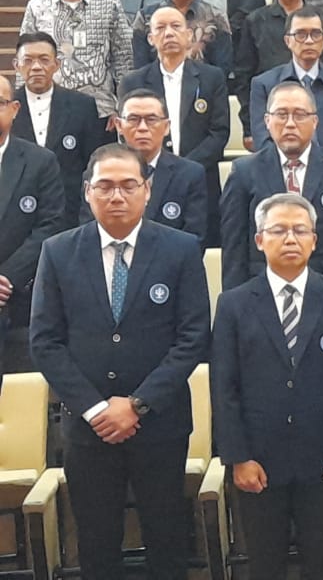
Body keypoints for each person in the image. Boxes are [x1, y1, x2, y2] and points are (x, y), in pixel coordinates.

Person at [29, 143, 208, 580]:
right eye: (104, 186)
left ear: (147, 190)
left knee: (167, 543)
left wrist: (138, 404)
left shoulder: (181, 249)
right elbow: (45, 341)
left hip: (159, 425)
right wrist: (95, 408)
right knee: (96, 546)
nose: (116, 196)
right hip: (88, 431)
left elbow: (193, 337)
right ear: (87, 191)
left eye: (128, 185)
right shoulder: (57, 251)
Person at [210, 192, 323, 580]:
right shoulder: (234, 304)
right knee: (264, 563)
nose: (291, 239)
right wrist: (237, 456)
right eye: (279, 230)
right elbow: (224, 387)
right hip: (258, 460)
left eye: (300, 230)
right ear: (259, 240)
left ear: (316, 239)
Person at [221, 82, 323, 295]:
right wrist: (233, 301)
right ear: (267, 121)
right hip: (262, 290)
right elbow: (234, 247)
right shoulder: (244, 173)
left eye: (300, 115)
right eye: (281, 114)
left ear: (315, 121)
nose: (290, 123)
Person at [120, 7, 230, 246]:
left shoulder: (212, 77)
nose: (168, 33)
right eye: (160, 28)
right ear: (150, 38)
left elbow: (219, 132)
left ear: (190, 35)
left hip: (200, 180)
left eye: (176, 27)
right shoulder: (133, 81)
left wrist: (183, 168)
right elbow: (127, 133)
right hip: (146, 180)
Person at [20, 0, 133, 137]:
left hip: (101, 110)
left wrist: (122, 108)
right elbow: (25, 58)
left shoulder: (109, 5)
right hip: (50, 108)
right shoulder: (37, 6)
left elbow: (124, 60)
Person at [248, 8, 323, 160]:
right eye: (301, 34)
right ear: (287, 41)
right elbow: (262, 137)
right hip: (283, 174)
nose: (309, 41)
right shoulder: (264, 85)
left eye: (316, 34)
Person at [232, 0, 322, 148]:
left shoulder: (322, 20)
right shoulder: (255, 21)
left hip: (317, 120)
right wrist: (250, 127)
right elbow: (244, 77)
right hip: (271, 120)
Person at [11, 33, 101, 228]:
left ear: (57, 64)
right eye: (28, 60)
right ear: (16, 65)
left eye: (44, 60)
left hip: (70, 214)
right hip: (17, 218)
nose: (36, 67)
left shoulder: (83, 106)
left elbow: (93, 164)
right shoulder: (6, 108)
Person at [0, 74, 65, 341]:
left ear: (14, 109)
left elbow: (50, 225)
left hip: (20, 298)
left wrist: (6, 278)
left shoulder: (41, 161)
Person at [106, 90, 208, 242]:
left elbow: (194, 240)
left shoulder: (190, 175)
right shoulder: (101, 172)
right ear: (119, 125)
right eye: (133, 119)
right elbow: (91, 233)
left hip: (168, 264)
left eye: (151, 119)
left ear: (167, 126)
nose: (142, 127)